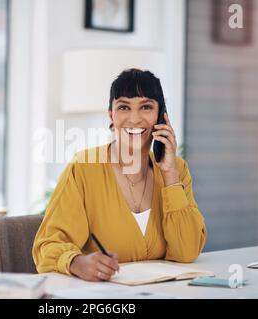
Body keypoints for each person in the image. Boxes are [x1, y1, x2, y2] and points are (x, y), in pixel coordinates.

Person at [32, 68, 207, 282]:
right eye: (124, 107)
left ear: (161, 117)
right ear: (111, 116)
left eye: (146, 107)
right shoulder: (84, 168)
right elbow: (48, 245)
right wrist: (77, 262)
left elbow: (186, 252)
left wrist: (170, 175)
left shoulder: (176, 169)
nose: (134, 119)